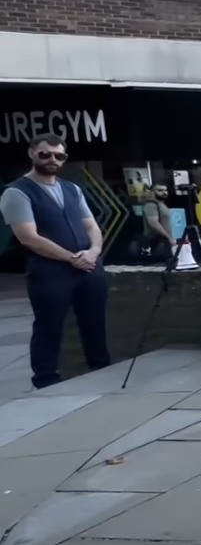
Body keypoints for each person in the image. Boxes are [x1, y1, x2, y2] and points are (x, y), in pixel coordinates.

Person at [0, 134, 110, 389]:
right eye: (45, 154)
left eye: (59, 155)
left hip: (89, 267)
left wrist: (93, 252)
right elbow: (29, 238)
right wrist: (72, 258)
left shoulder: (72, 189)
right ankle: (45, 381)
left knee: (95, 323)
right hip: (49, 271)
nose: (52, 159)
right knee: (48, 326)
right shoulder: (16, 192)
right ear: (32, 154)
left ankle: (102, 371)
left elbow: (92, 226)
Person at [139, 183, 173, 260]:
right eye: (160, 190)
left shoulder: (161, 204)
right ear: (152, 192)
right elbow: (154, 223)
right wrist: (169, 238)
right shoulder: (151, 205)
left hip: (164, 242)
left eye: (166, 190)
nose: (164, 192)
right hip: (157, 243)